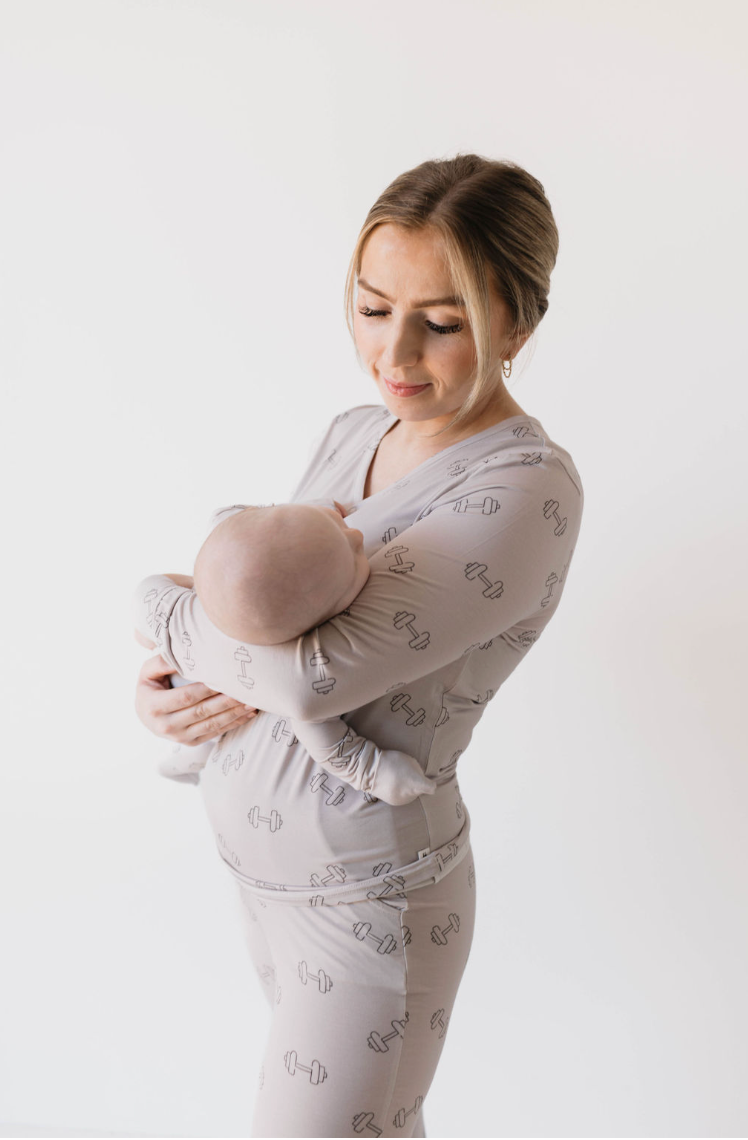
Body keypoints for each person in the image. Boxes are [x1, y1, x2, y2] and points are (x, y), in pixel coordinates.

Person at [133, 153, 584, 1138]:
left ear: (517, 324)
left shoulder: (523, 488)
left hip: (371, 902)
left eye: (443, 323)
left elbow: (312, 674)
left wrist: (157, 608)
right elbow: (257, 612)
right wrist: (172, 688)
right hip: (265, 880)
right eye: (374, 308)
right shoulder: (352, 432)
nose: (395, 352)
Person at [139, 497, 436, 806]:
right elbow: (333, 748)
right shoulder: (300, 680)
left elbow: (150, 591)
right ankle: (179, 765)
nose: (357, 535)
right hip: (194, 691)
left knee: (206, 729)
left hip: (190, 674)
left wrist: (156, 625)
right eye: (353, 557)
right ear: (314, 626)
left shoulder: (180, 610)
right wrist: (375, 773)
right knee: (205, 733)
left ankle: (179, 764)